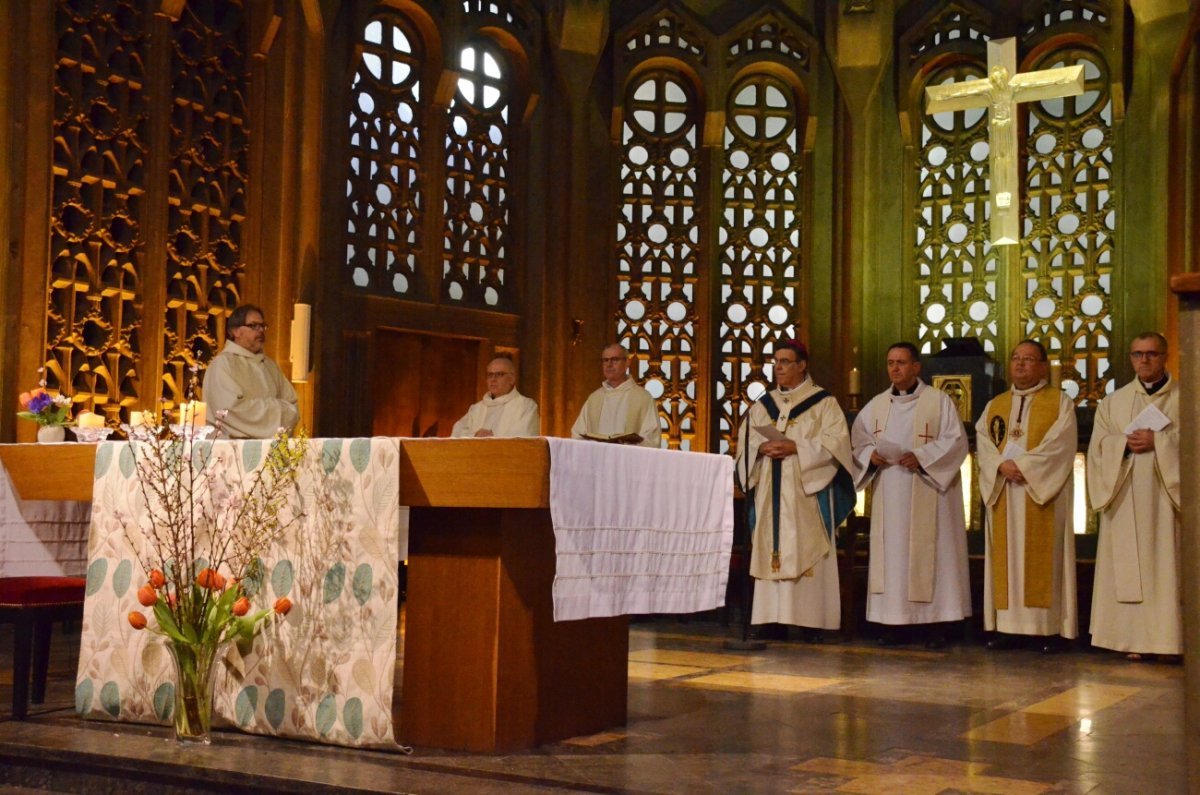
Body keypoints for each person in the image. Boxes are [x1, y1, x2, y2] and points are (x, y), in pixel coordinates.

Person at [850, 343, 970, 648]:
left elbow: (956, 442)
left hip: (929, 488)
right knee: (893, 556)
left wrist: (923, 457)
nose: (895, 368)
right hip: (890, 491)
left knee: (934, 553)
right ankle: (894, 623)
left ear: (917, 367)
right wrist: (870, 456)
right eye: (890, 363)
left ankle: (935, 625)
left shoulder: (939, 402)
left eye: (901, 363)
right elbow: (858, 442)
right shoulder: (876, 405)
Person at [734, 340, 855, 642]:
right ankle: (770, 619)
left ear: (802, 365)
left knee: (806, 548)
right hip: (770, 494)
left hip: (805, 494)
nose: (778, 367)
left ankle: (809, 621)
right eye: (776, 361)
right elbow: (744, 446)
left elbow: (836, 445)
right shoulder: (763, 405)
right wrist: (761, 447)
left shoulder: (823, 403)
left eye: (786, 361)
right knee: (770, 548)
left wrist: (795, 447)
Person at [976, 339, 1078, 653]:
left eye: (1029, 359)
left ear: (1043, 366)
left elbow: (1060, 445)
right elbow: (984, 444)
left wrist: (1023, 467)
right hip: (1005, 491)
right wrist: (1000, 466)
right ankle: (1008, 628)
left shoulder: (1060, 402)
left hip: (1041, 493)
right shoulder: (995, 405)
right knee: (1005, 557)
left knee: (1045, 556)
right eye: (1016, 358)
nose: (1020, 364)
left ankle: (1046, 630)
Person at [1087, 332, 1180, 661]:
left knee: (1166, 565)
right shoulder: (1115, 402)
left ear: (1165, 356)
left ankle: (1169, 641)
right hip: (1124, 492)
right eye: (1138, 354)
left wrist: (1161, 443)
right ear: (1130, 358)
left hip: (1166, 499)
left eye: (1152, 354)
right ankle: (1129, 639)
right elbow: (1097, 446)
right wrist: (1121, 444)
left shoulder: (1186, 398)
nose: (1144, 360)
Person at [202, 304, 299, 439]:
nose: (260, 331)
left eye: (262, 326)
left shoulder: (270, 366)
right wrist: (277, 410)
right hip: (231, 449)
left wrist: (274, 411)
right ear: (235, 331)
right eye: (253, 326)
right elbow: (230, 409)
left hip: (271, 451)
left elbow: (292, 407)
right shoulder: (223, 364)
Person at [570, 343, 662, 448]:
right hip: (598, 461)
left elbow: (652, 439)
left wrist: (623, 446)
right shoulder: (594, 399)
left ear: (627, 363)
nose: (609, 365)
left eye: (614, 360)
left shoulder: (643, 398)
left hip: (628, 462)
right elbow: (577, 435)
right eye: (605, 360)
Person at [451, 354, 540, 438]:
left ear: (512, 379)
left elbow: (526, 437)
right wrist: (475, 435)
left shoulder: (526, 406)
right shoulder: (476, 409)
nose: (493, 379)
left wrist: (492, 438)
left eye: (499, 374)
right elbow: (456, 434)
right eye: (490, 375)